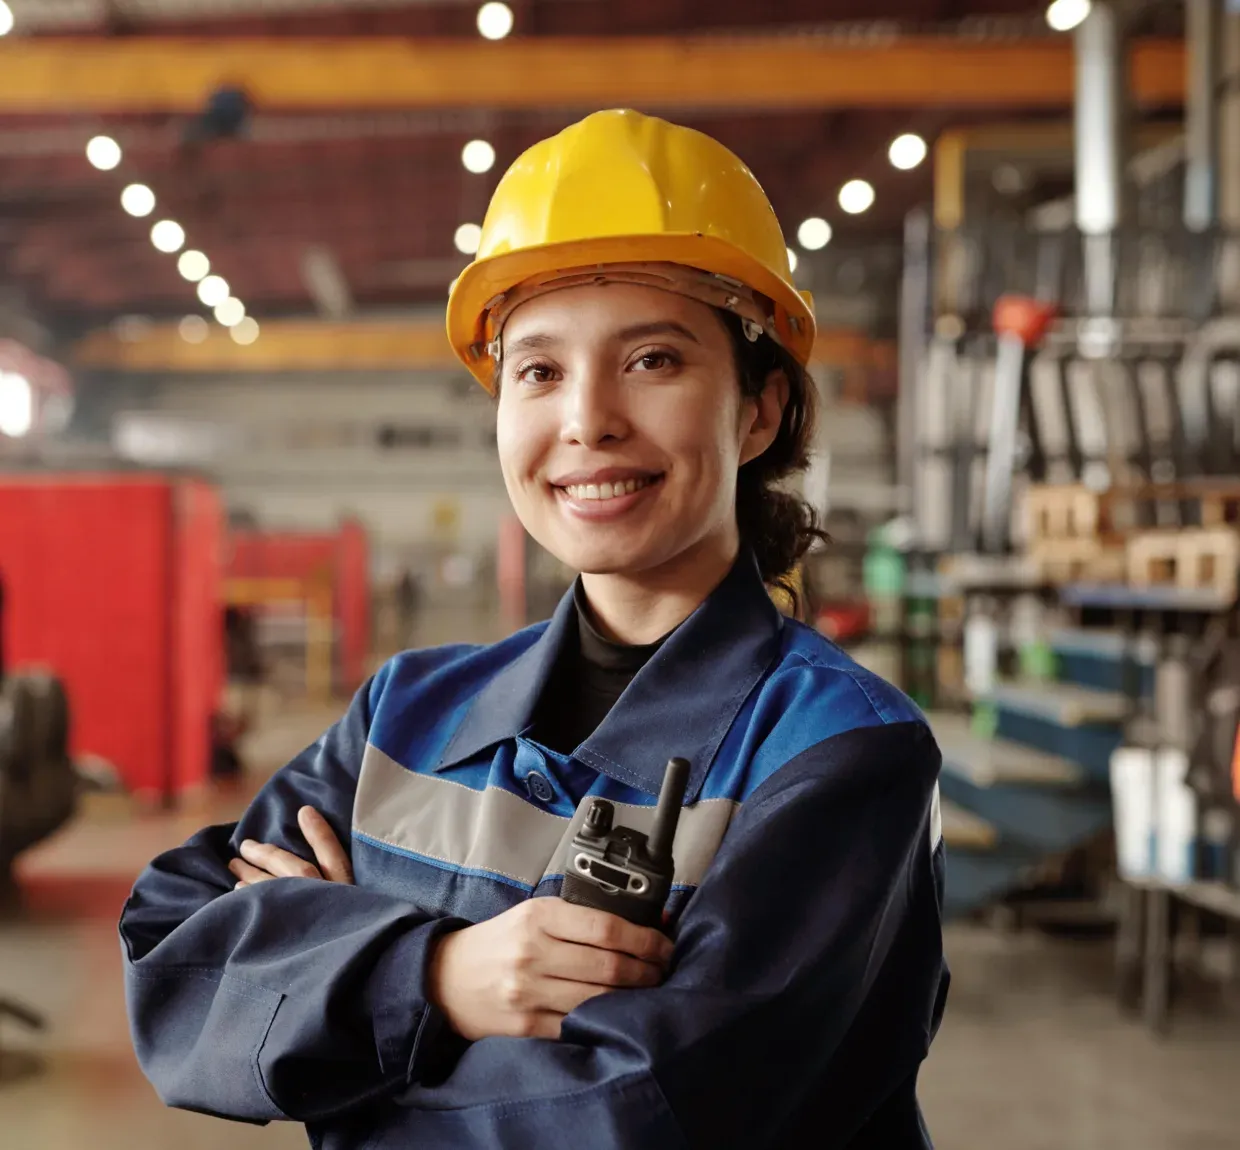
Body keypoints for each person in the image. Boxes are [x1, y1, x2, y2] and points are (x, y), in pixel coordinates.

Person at [120, 109, 948, 1149]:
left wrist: (328, 994)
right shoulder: (408, 712)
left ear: (758, 410)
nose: (585, 419)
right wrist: (433, 978)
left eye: (652, 360)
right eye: (540, 370)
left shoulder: (837, 752)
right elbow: (175, 967)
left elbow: (645, 1116)